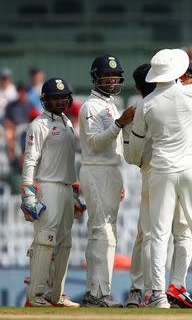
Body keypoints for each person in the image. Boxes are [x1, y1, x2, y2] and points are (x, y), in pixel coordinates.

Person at [128, 35, 192, 308]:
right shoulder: (190, 93)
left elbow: (135, 153)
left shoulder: (146, 105)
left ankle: (158, 295)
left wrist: (142, 160)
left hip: (160, 171)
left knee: (158, 234)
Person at [79, 54, 136, 307]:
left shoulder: (110, 105)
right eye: (106, 76)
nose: (112, 80)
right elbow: (95, 142)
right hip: (95, 169)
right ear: (96, 78)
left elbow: (114, 148)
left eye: (114, 76)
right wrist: (119, 123)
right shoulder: (90, 106)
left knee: (105, 231)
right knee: (102, 233)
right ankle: (99, 293)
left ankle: (96, 292)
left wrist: (119, 179)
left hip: (110, 171)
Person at [21, 77, 81, 307]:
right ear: (45, 100)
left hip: (65, 189)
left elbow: (66, 160)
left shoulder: (66, 121)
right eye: (54, 98)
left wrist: (74, 190)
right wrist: (28, 194)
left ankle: (56, 295)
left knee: (65, 243)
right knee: (45, 241)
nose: (59, 102)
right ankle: (34, 296)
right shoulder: (38, 124)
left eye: (62, 98)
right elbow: (30, 161)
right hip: (47, 188)